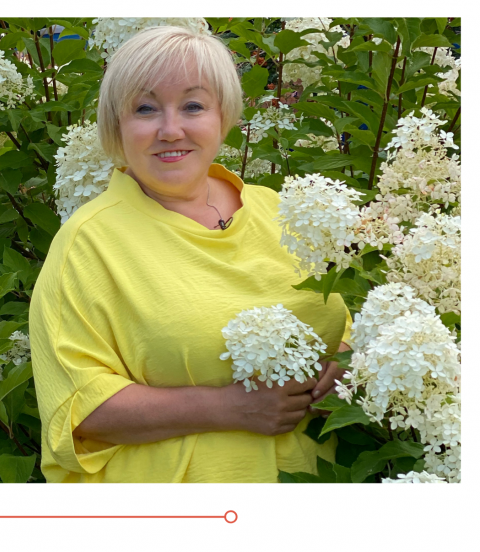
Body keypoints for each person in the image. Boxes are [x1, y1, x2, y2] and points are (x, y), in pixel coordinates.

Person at [29, 26, 352, 482]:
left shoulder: (284, 211)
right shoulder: (86, 243)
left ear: (224, 115)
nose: (170, 129)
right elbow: (78, 409)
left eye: (193, 106)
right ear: (116, 126)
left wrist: (347, 361)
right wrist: (230, 408)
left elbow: (347, 314)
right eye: (145, 109)